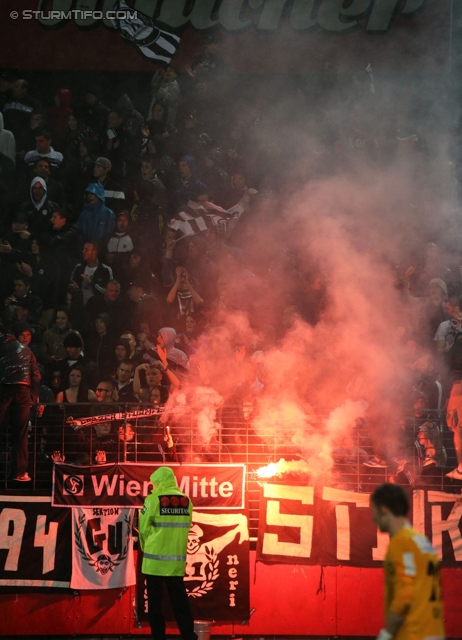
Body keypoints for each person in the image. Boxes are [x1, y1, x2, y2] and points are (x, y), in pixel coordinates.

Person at [370, 483, 444, 640]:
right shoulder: (422, 542)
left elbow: (405, 594)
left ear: (383, 509)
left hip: (412, 633)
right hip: (433, 631)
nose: (373, 517)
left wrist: (387, 633)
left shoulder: (400, 543)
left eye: (374, 511)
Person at [139, 466, 197, 640]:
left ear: (159, 481)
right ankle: (189, 636)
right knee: (180, 603)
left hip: (153, 562)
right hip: (176, 562)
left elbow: (143, 529)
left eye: (154, 483)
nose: (153, 486)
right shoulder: (186, 500)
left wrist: (145, 547)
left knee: (155, 606)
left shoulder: (152, 499)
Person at [0, 308, 41, 481]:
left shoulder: (2, 347)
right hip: (23, 391)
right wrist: (33, 396)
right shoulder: (27, 351)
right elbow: (37, 376)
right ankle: (20, 472)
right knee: (21, 433)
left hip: (3, 389)